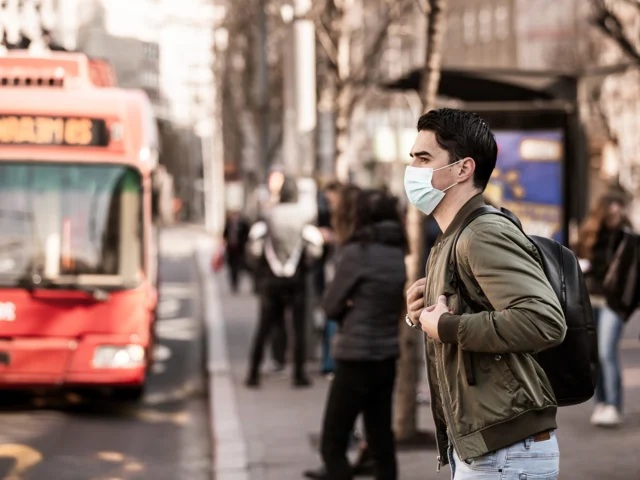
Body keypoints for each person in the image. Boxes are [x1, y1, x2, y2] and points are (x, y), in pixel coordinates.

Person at [404, 108, 566, 479]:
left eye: (424, 158)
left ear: (463, 169)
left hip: (507, 450)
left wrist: (447, 327)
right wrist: (422, 315)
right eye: (412, 158)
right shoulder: (453, 236)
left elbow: (543, 321)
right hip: (488, 447)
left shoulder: (482, 233)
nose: (412, 170)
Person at [315, 187, 407, 480]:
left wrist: (348, 306)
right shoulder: (397, 253)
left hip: (355, 357)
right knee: (381, 441)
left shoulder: (357, 253)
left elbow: (330, 306)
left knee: (332, 444)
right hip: (387, 357)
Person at [245, 176, 324, 388]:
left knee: (264, 327)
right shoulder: (304, 217)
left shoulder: (268, 215)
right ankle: (298, 375)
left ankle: (253, 373)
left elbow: (254, 248)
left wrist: (261, 267)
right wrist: (304, 264)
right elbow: (315, 249)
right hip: (296, 280)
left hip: (271, 280)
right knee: (298, 329)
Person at [574, 193, 631, 427]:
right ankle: (601, 403)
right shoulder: (589, 234)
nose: (615, 214)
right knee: (593, 355)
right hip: (590, 299)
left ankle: (614, 406)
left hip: (612, 302)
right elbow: (576, 258)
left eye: (619, 210)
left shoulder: (626, 236)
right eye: (611, 210)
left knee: (607, 351)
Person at [223, 210, 250, 294]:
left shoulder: (243, 225)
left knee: (239, 268)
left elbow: (247, 235)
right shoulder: (228, 224)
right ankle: (233, 283)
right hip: (231, 250)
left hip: (240, 250)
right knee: (231, 268)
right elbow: (224, 235)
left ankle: (237, 283)